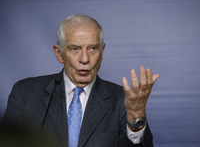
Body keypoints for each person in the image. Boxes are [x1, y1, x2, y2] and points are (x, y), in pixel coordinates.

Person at [1, 14, 159, 147]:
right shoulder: (25, 93)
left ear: (102, 52)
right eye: (75, 48)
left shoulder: (122, 100)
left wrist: (136, 119)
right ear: (59, 53)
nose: (85, 59)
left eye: (92, 48)